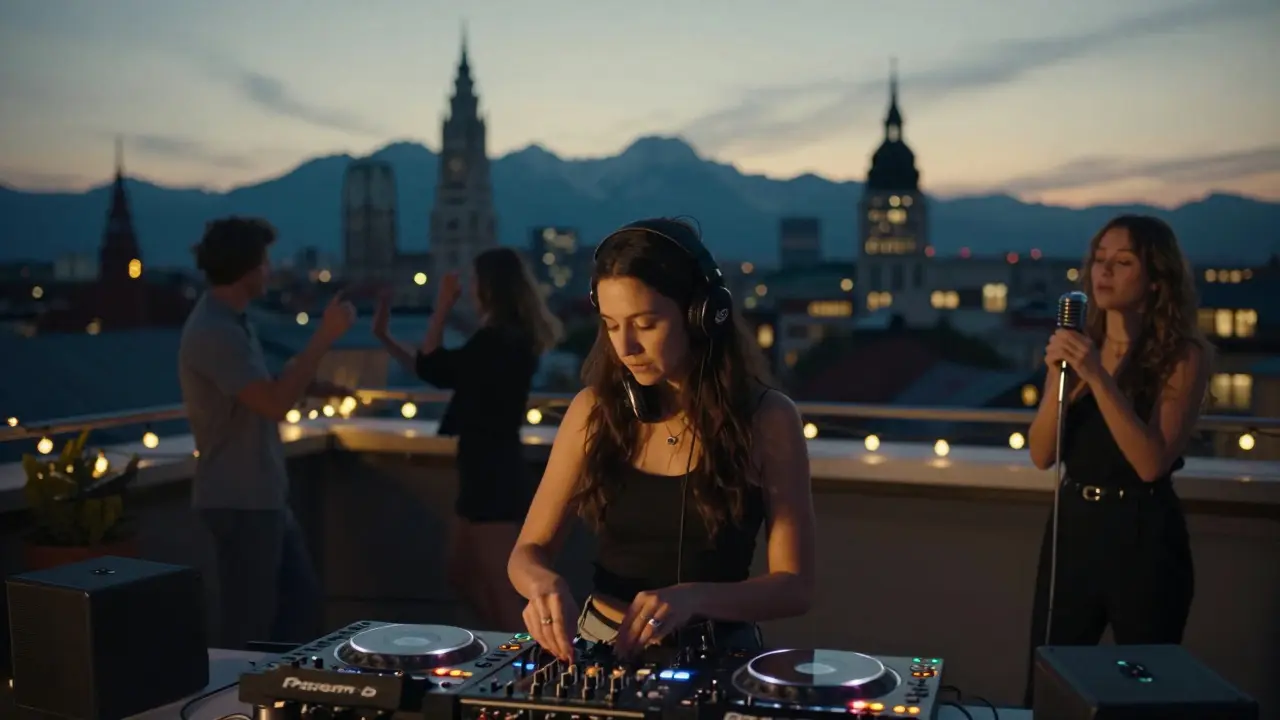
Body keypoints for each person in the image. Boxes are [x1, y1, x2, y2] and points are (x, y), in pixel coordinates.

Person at [507, 218, 816, 662]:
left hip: (714, 657)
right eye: (612, 326)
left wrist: (694, 598)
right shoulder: (593, 411)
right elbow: (526, 552)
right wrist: (541, 583)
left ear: (701, 316)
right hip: (598, 651)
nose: (626, 347)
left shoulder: (768, 418)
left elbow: (795, 587)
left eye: (645, 323)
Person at [1024, 214, 1210, 704]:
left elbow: (1151, 462)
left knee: (1145, 691)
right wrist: (1058, 380)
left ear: (1155, 279)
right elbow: (1041, 453)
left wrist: (1099, 376)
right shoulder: (1080, 347)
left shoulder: (1182, 356)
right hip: (1074, 527)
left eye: (1122, 262)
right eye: (1099, 260)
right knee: (1050, 682)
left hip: (1144, 532)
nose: (1104, 272)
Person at [178, 217, 357, 649]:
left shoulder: (232, 322)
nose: (271, 271)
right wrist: (323, 338)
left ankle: (279, 701)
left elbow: (256, 390)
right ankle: (241, 711)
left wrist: (311, 385)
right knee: (251, 627)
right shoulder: (216, 332)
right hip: (239, 500)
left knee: (297, 604)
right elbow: (273, 405)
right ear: (247, 269)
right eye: (265, 262)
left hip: (260, 495)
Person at [374, 247, 562, 631]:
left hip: (490, 475)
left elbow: (433, 364)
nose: (471, 290)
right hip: (488, 470)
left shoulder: (496, 341)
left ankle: (519, 659)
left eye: (475, 282)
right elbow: (440, 370)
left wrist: (442, 306)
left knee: (502, 586)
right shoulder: (507, 340)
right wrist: (386, 338)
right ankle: (505, 649)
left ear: (488, 288)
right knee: (461, 575)